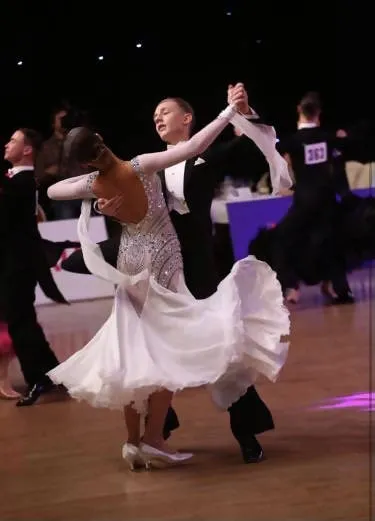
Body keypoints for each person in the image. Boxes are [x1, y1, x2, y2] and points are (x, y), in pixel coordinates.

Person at [46, 101, 290, 471]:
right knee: (152, 350)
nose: (157, 116)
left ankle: (240, 433)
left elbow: (245, 144)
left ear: (188, 118)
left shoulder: (206, 155)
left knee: (217, 346)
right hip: (156, 268)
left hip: (190, 268)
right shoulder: (143, 164)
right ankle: (154, 436)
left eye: (165, 111)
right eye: (154, 112)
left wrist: (242, 113)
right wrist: (100, 207)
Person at [250, 91, 354, 305]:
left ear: (299, 110)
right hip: (327, 202)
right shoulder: (330, 137)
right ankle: (341, 290)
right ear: (319, 113)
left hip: (304, 202)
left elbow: (272, 149)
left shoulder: (292, 142)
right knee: (331, 243)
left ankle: (291, 285)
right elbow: (339, 166)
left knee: (281, 239)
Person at [0, 128, 66, 407]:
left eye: (13, 140)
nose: (6, 144)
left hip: (17, 264)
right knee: (25, 319)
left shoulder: (24, 182)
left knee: (18, 322)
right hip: (16, 262)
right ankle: (51, 371)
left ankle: (36, 376)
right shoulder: (17, 182)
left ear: (27, 150)